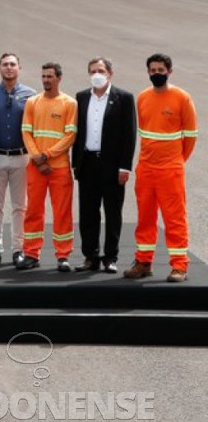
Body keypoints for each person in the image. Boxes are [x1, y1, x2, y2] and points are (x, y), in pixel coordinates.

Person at [124, 53, 198, 283]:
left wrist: (176, 160)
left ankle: (179, 266)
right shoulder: (143, 97)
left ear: (170, 71)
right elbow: (145, 133)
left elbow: (191, 136)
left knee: (174, 218)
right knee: (145, 217)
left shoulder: (181, 98)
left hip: (170, 169)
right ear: (148, 72)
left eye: (160, 70)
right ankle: (143, 262)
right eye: (152, 70)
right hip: (146, 168)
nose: (156, 74)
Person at [71, 57, 136, 273]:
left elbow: (129, 134)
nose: (96, 74)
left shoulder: (124, 98)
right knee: (88, 213)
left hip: (112, 165)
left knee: (112, 212)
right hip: (87, 162)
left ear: (110, 73)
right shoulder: (81, 98)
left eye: (100, 70)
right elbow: (76, 133)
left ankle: (110, 257)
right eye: (92, 71)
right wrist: (75, 164)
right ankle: (90, 256)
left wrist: (125, 166)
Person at [16, 63, 78, 272]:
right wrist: (37, 158)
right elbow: (26, 132)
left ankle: (63, 255)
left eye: (50, 76)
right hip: (36, 167)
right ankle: (31, 253)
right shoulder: (33, 102)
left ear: (59, 78)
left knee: (62, 212)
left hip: (58, 167)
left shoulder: (69, 103)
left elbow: (70, 136)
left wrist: (47, 156)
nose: (46, 80)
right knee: (33, 210)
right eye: (43, 76)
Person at [0, 53, 36, 267]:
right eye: (5, 64)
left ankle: (19, 249)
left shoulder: (30, 95)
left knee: (20, 206)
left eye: (13, 64)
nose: (9, 68)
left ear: (19, 68)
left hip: (22, 156)